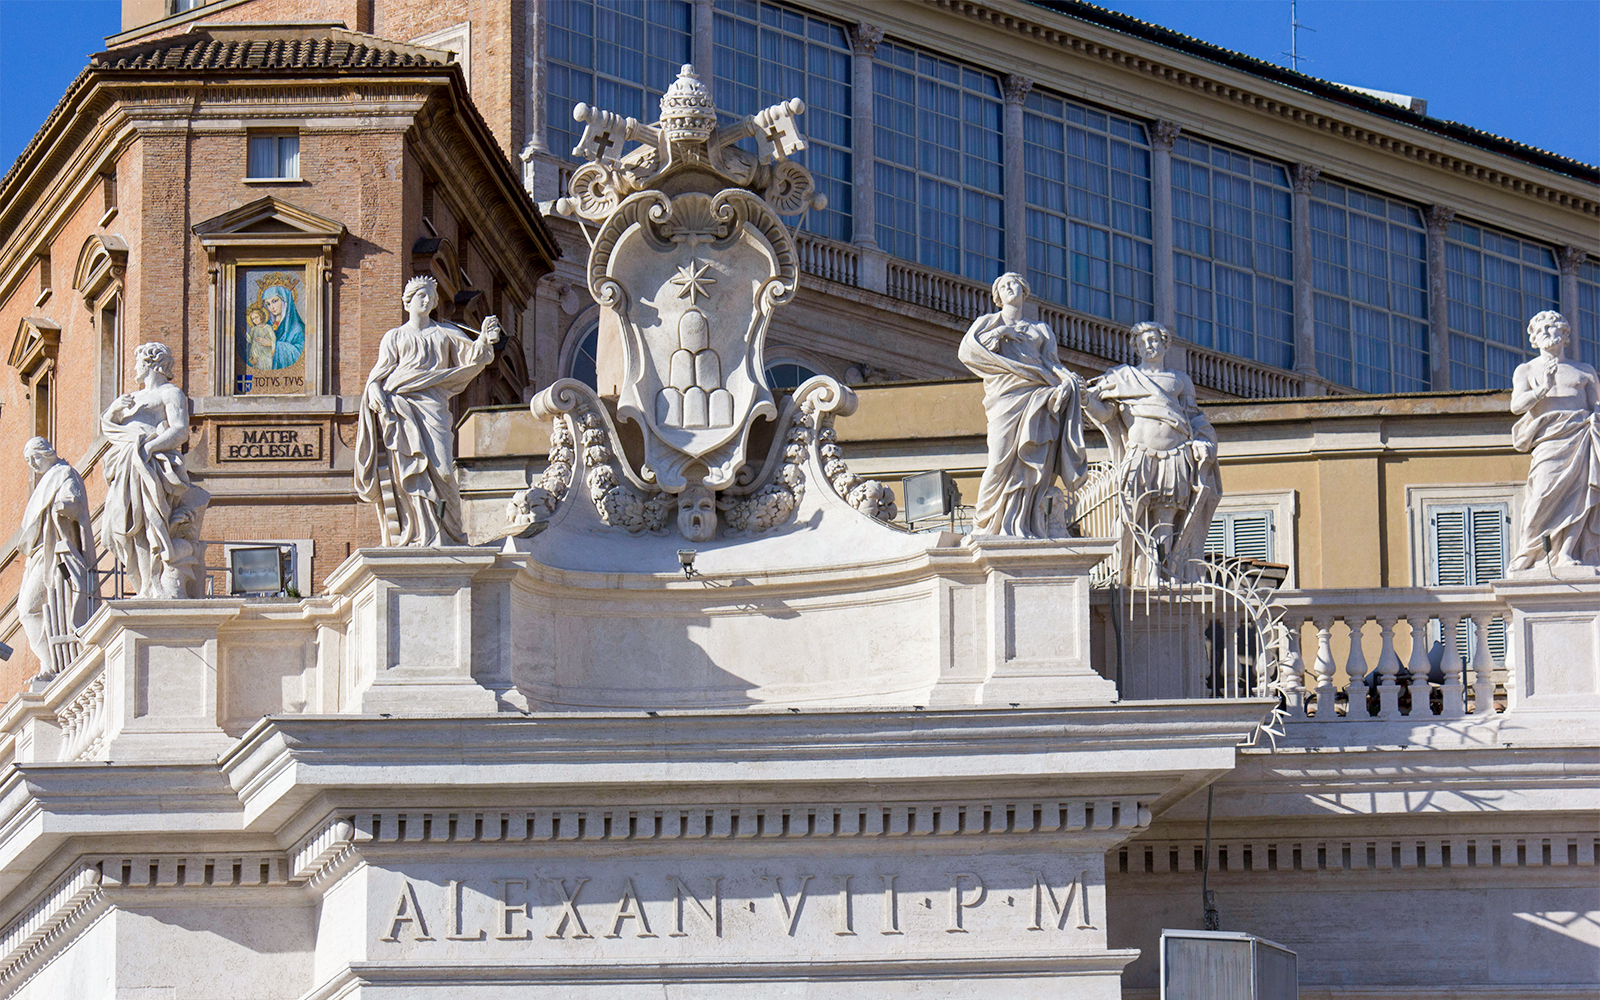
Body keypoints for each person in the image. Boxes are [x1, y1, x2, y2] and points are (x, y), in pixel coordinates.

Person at [354, 276, 502, 546]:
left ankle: (452, 533)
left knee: (444, 471)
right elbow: (377, 377)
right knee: (408, 471)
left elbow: (475, 358)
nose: (426, 300)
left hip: (433, 406)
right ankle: (418, 533)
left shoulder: (445, 334)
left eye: (430, 297)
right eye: (421, 295)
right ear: (408, 301)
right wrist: (375, 395)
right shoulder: (395, 337)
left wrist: (484, 339)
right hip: (399, 406)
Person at [1084, 321, 1220, 585]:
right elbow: (1106, 414)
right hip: (1140, 453)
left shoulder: (1180, 381)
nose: (1149, 345)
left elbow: (1195, 418)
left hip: (1176, 453)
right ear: (1135, 347)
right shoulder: (1121, 378)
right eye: (1143, 341)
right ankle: (1135, 572)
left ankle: (1159, 571)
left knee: (1166, 515)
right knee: (1135, 514)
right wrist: (1086, 400)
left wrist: (1204, 441)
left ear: (1165, 343)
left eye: (1154, 340)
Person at [957, 272, 1087, 537]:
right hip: (1004, 396)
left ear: (1023, 291)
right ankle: (985, 522)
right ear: (997, 297)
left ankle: (1024, 524)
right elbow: (968, 352)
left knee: (1033, 460)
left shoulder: (1040, 330)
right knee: (999, 459)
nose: (1008, 288)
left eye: (1013, 284)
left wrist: (1068, 380)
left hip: (1038, 396)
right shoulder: (988, 322)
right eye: (1003, 286)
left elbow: (1052, 363)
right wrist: (1001, 332)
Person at [100, 342, 210, 598]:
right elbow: (110, 429)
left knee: (150, 522)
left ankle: (155, 584)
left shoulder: (170, 393)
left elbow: (180, 430)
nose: (135, 368)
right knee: (126, 525)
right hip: (127, 467)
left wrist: (149, 448)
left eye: (138, 362)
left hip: (152, 468)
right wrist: (114, 412)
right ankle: (144, 586)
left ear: (152, 363)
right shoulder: (131, 398)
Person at [1509, 310, 1600, 572]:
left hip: (1582, 437)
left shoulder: (1584, 371)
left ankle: (1568, 553)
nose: (1550, 333)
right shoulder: (1526, 370)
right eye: (1543, 330)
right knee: (1541, 496)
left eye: (1555, 328)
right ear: (1534, 340)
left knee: (1580, 496)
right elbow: (1517, 406)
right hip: (1549, 442)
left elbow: (1597, 405)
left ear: (1565, 336)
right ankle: (1529, 551)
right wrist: (1541, 389)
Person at [18, 437, 96, 678]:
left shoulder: (64, 473)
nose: (32, 463)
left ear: (47, 452)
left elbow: (76, 502)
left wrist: (62, 506)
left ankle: (51, 665)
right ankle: (49, 663)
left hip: (56, 551)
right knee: (27, 610)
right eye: (28, 460)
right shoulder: (49, 479)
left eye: (35, 457)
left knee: (30, 609)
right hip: (41, 553)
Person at [261, 284, 305, 369]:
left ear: (285, 301)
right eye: (268, 304)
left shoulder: (297, 328)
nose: (272, 307)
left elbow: (301, 354)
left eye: (275, 301)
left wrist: (273, 344)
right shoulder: (267, 326)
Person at [242, 304, 276, 370]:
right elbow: (251, 340)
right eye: (253, 319)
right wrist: (245, 334)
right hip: (256, 355)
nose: (255, 320)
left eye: (256, 317)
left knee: (266, 368)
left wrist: (273, 350)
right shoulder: (253, 329)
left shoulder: (267, 327)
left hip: (266, 353)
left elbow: (273, 339)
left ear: (261, 316)